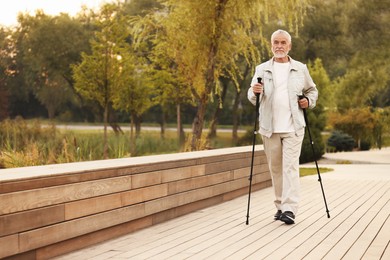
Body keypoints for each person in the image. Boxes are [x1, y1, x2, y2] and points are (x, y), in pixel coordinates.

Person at [247, 29, 318, 225]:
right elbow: (252, 96)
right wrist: (254, 91)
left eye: (283, 42)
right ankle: (280, 206)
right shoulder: (261, 69)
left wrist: (308, 101)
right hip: (269, 128)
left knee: (290, 168)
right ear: (271, 45)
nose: (279, 46)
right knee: (276, 169)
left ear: (289, 46)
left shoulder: (300, 68)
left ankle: (289, 208)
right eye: (276, 42)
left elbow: (312, 90)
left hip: (293, 127)